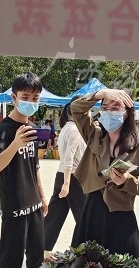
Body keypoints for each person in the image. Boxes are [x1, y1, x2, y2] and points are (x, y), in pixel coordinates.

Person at [71, 88, 139, 259]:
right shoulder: (94, 135)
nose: (108, 112)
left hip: (121, 216)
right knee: (86, 266)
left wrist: (127, 180)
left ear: (127, 113)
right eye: (105, 108)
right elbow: (76, 108)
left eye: (115, 108)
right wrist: (100, 94)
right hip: (92, 211)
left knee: (121, 267)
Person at [0, 72, 48, 268]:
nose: (30, 102)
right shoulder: (2, 130)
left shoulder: (32, 129)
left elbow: (35, 165)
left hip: (34, 205)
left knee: (37, 262)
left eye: (35, 98)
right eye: (25, 97)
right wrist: (15, 144)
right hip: (14, 206)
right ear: (14, 97)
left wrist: (42, 196)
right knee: (10, 262)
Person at [44, 98, 87, 251]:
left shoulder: (66, 128)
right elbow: (69, 157)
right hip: (73, 177)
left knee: (55, 214)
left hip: (62, 174)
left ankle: (41, 248)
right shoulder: (75, 130)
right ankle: (80, 250)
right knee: (84, 217)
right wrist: (67, 183)